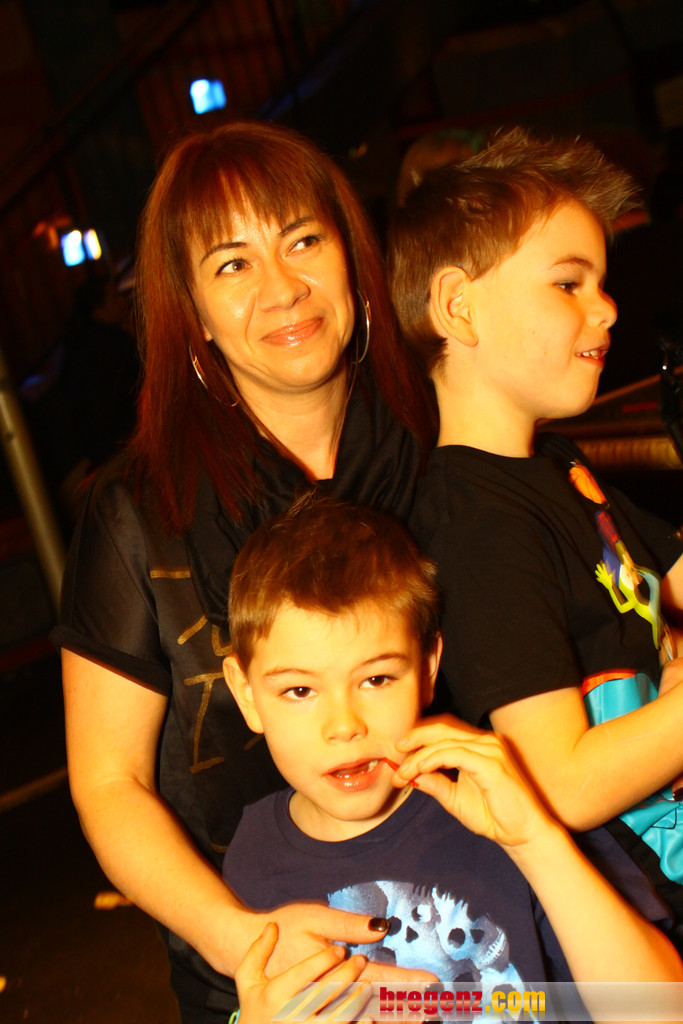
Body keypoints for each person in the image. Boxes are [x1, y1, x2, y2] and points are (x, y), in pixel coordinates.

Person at [53, 119, 437, 1023]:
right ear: (190, 309)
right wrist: (248, 944)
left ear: (353, 257)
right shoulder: (140, 510)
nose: (283, 287)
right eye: (232, 264)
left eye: (303, 240)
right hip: (271, 981)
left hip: (484, 935)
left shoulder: (446, 441)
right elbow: (109, 784)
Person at [221, 498, 682, 1024]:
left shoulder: (506, 799)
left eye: (376, 679)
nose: (343, 726)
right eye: (300, 690)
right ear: (246, 694)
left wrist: (535, 841)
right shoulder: (251, 855)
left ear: (427, 668)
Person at [387, 127, 683, 930]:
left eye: (600, 283)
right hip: (633, 916)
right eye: (567, 283)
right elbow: (563, 781)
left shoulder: (558, 466)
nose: (606, 307)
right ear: (459, 307)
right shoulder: (471, 523)